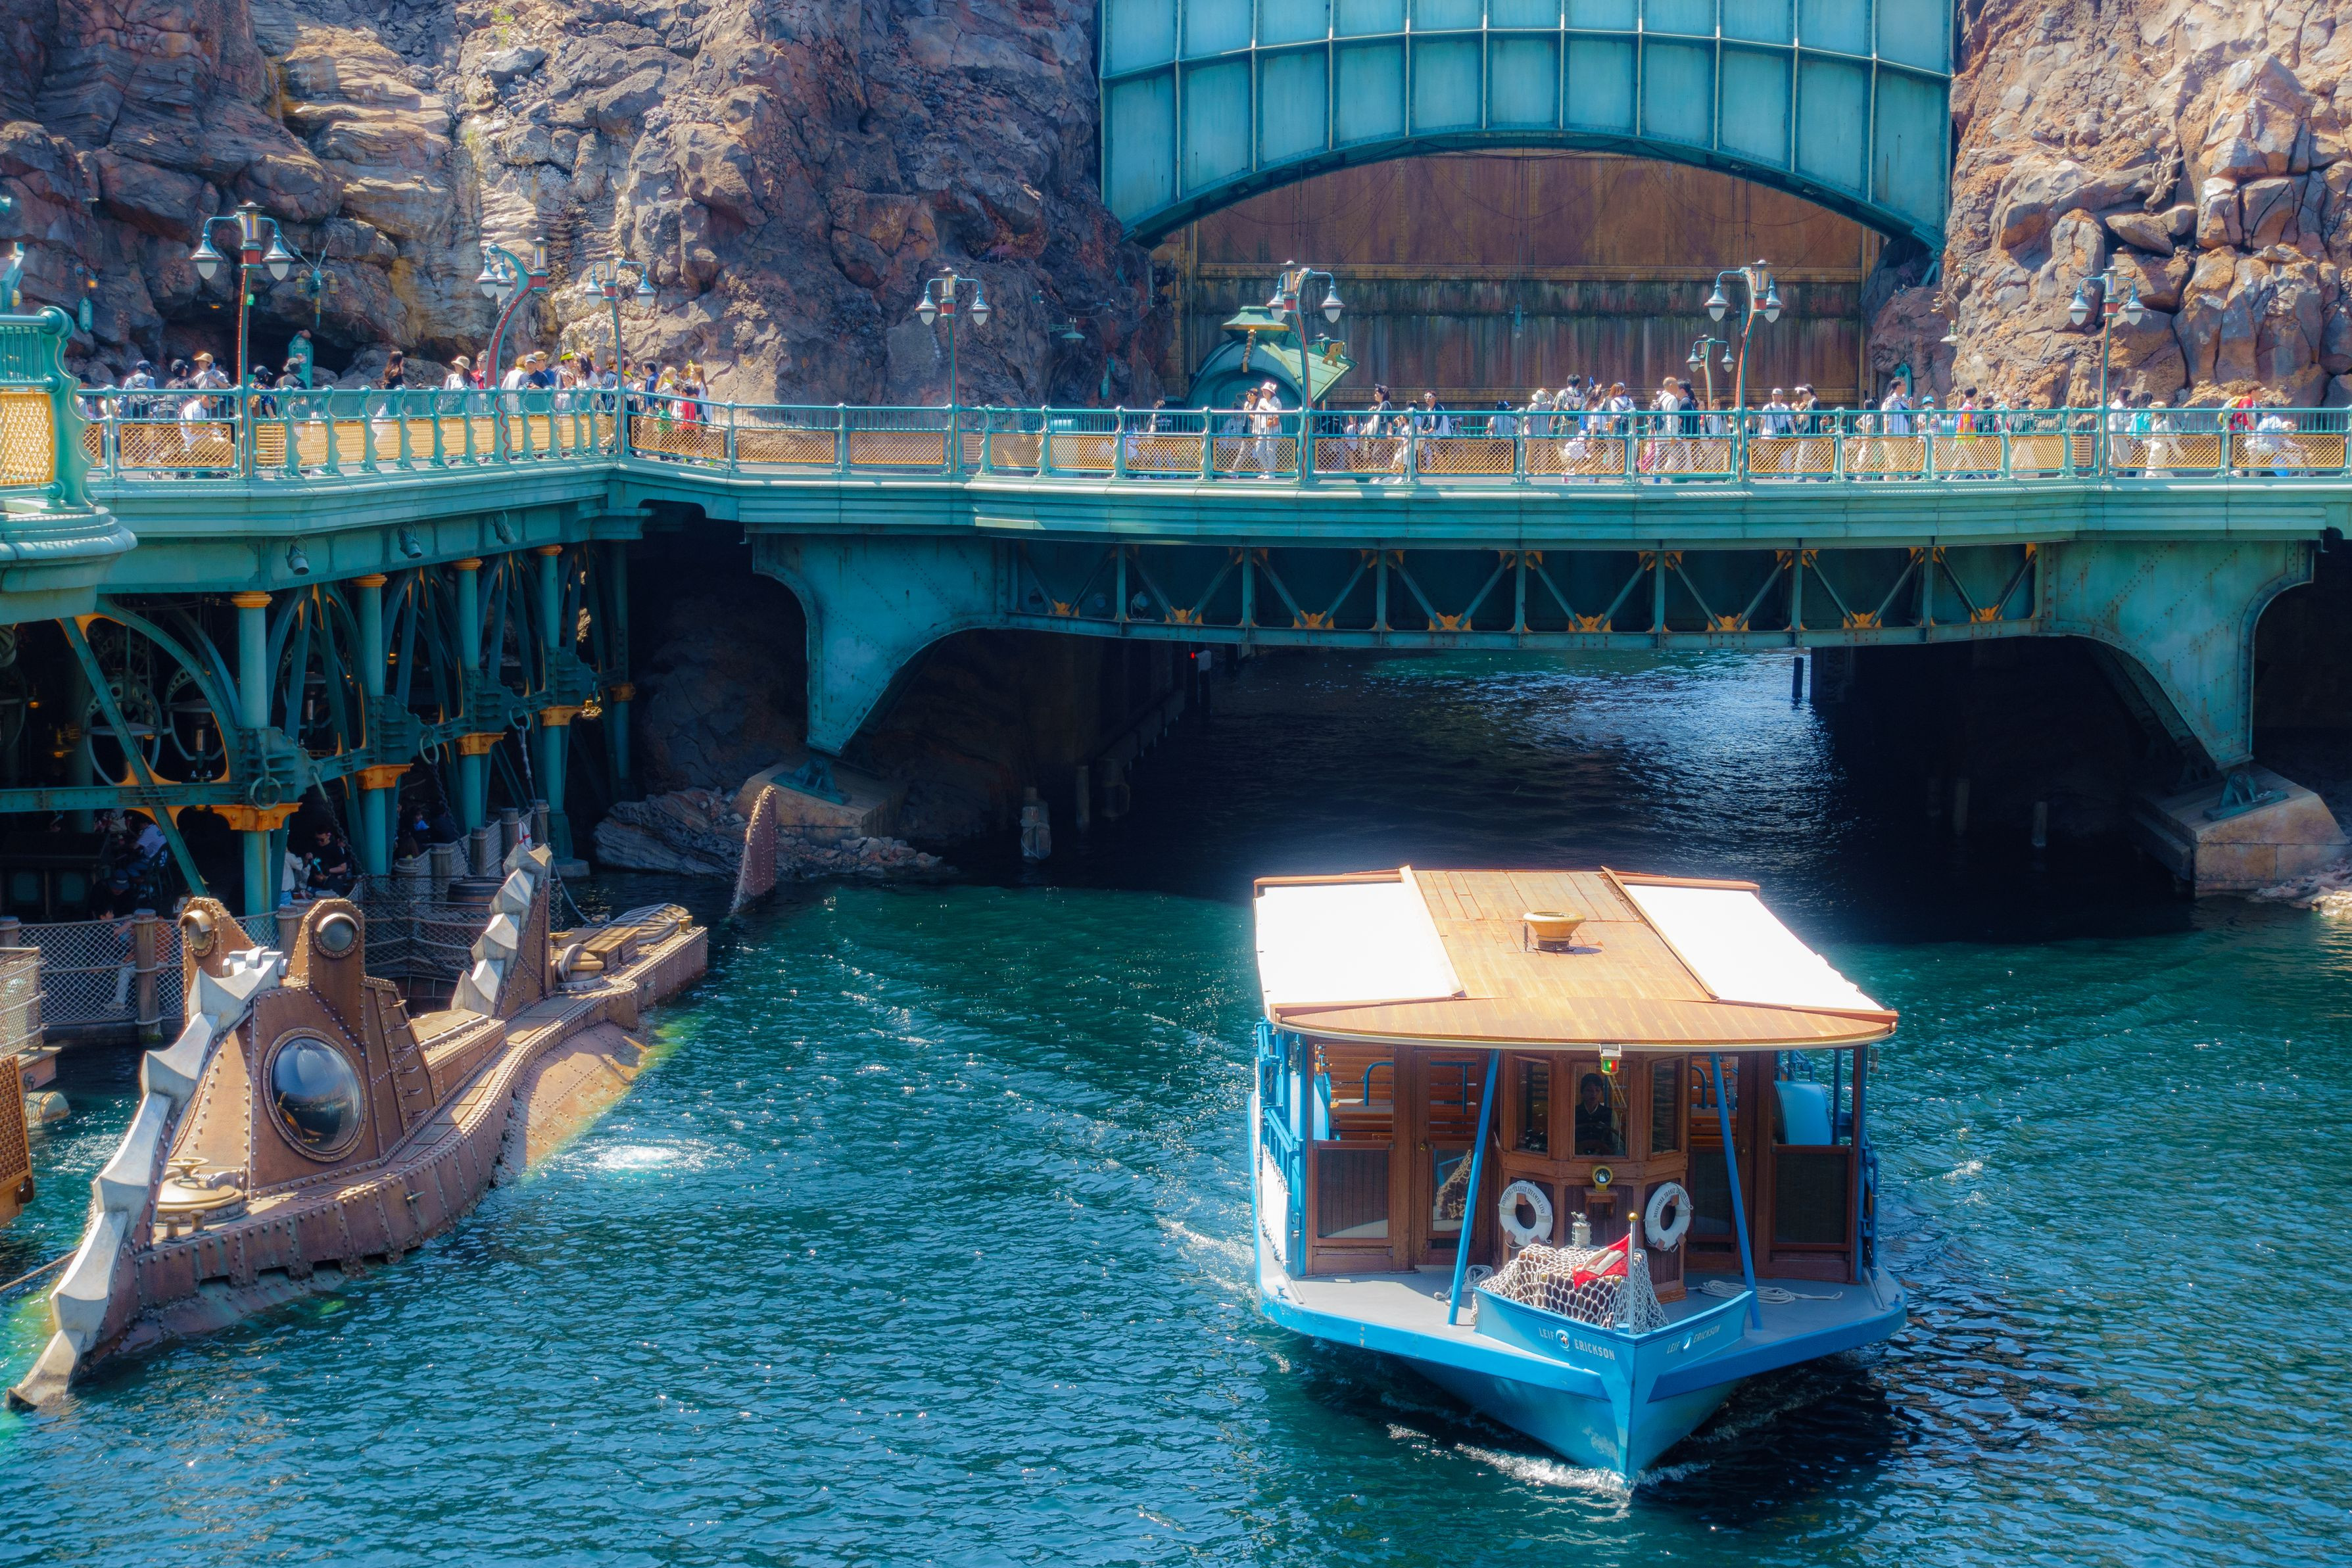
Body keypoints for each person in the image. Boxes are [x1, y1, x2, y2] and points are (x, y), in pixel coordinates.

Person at [1573, 1072, 1618, 1156]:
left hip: (1603, 1160)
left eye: (1597, 1090)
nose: (1593, 1094)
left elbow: (1617, 1143)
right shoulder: (1572, 1113)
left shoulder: (1611, 1114)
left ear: (1601, 1093)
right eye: (1589, 1090)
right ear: (1582, 1092)